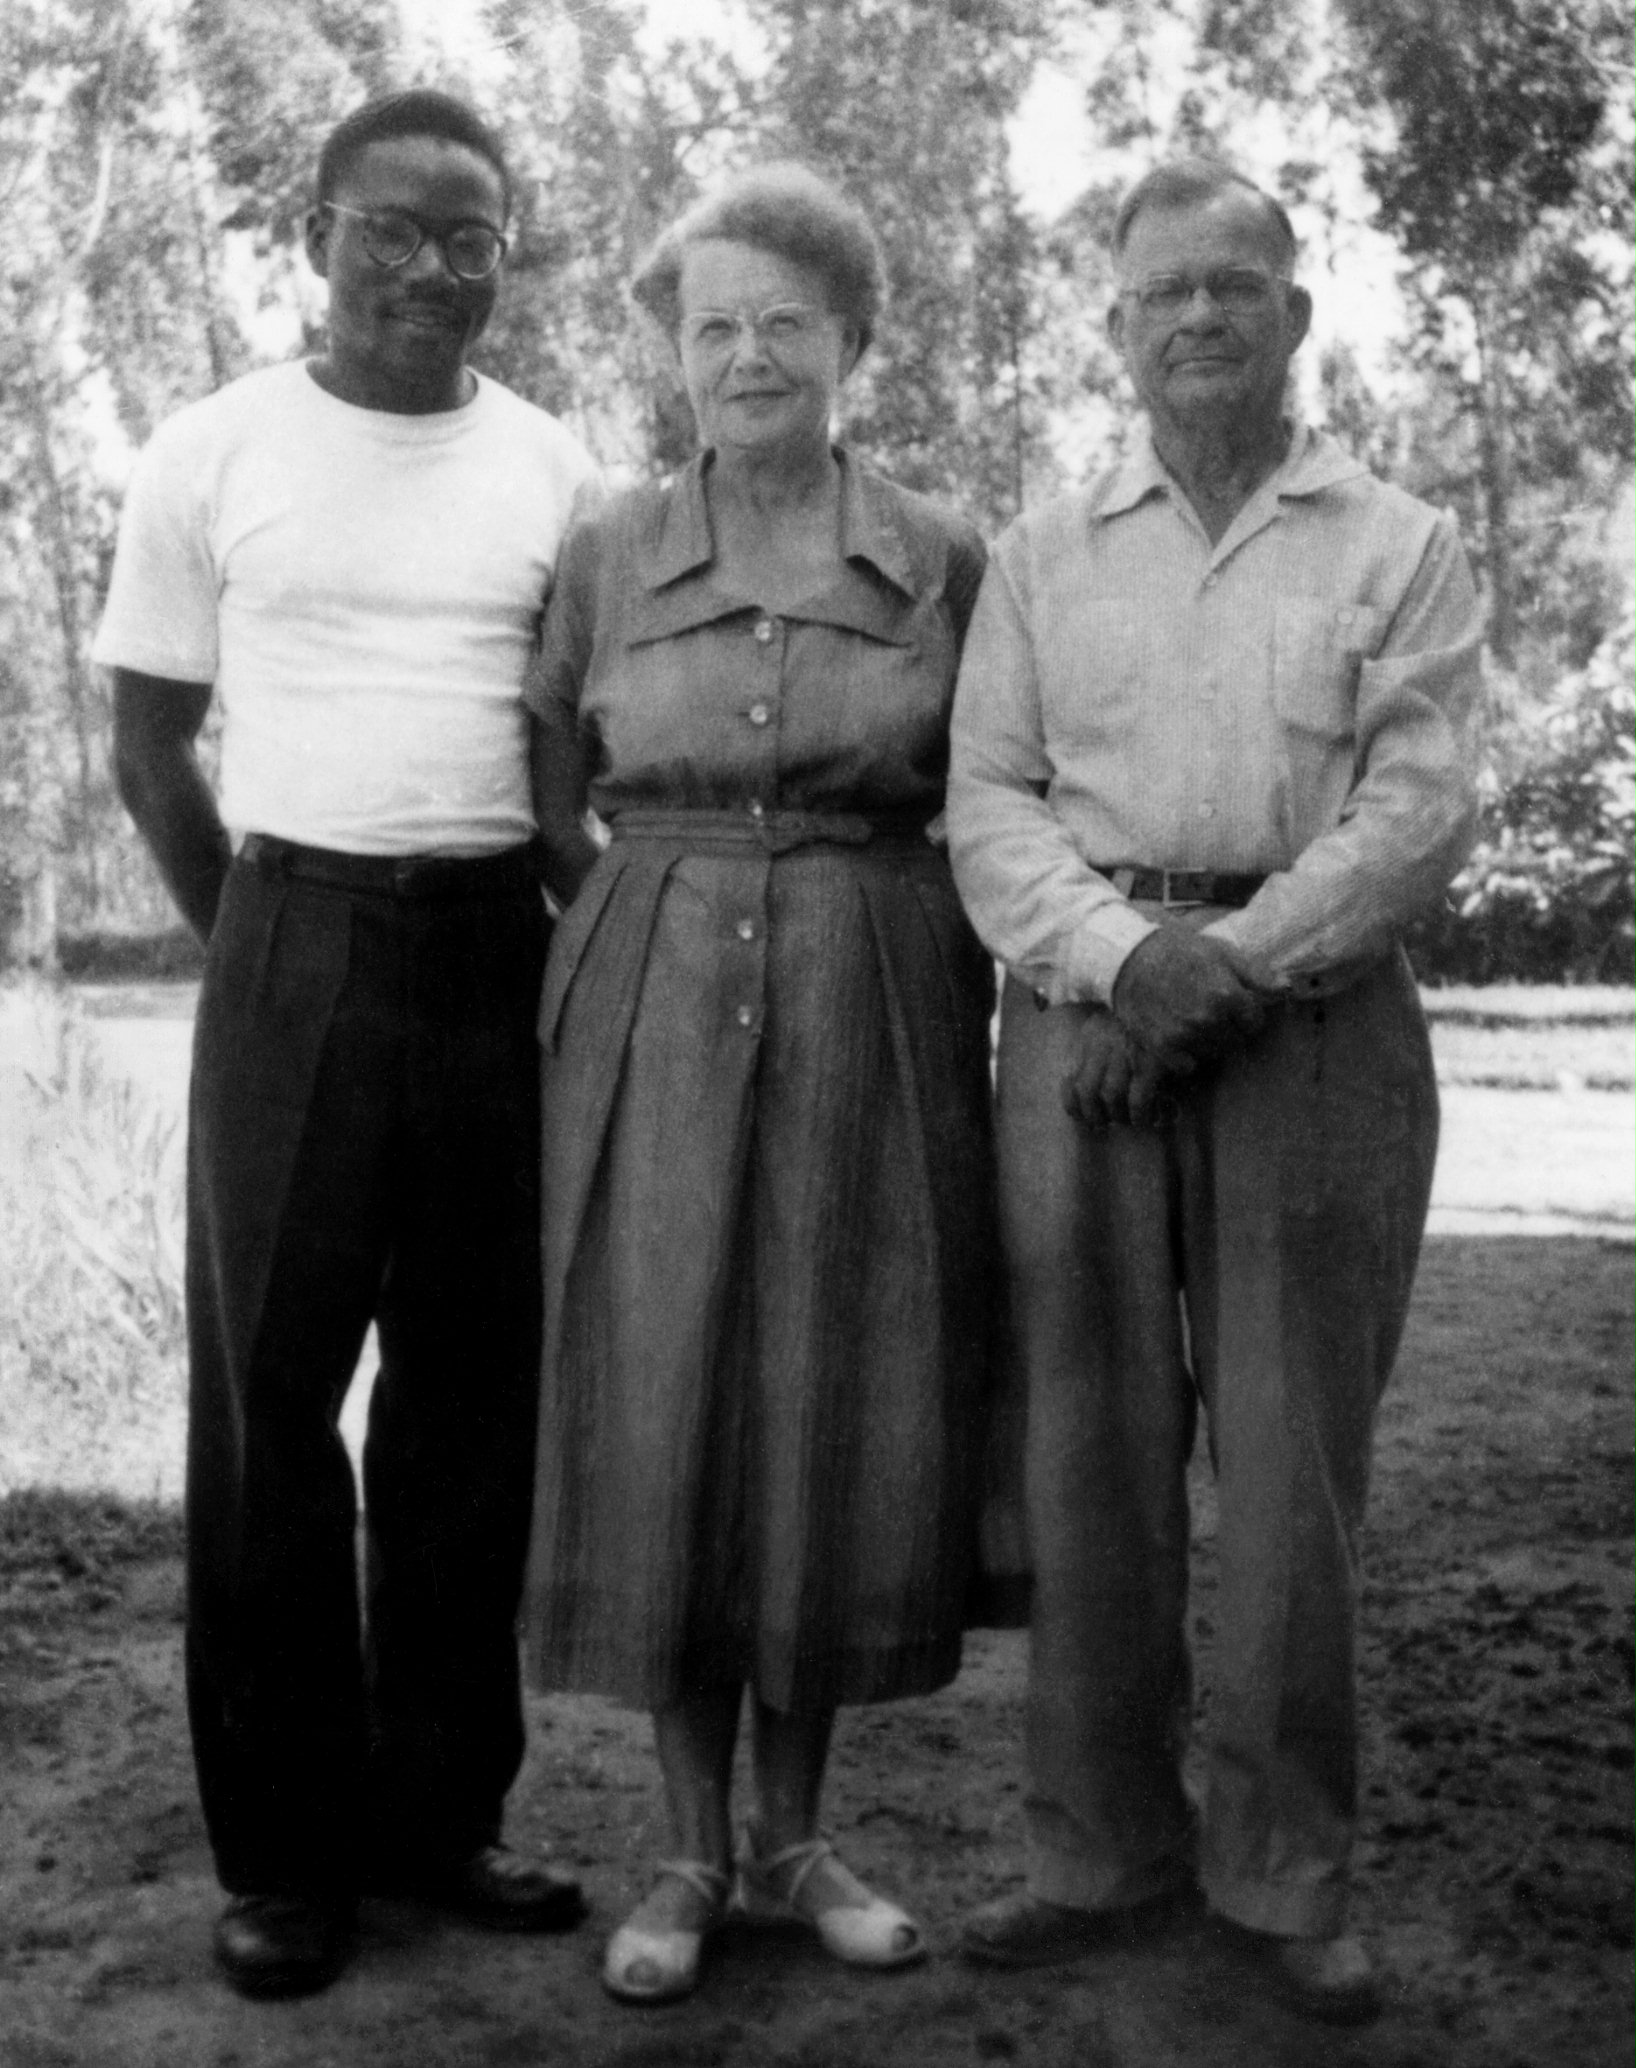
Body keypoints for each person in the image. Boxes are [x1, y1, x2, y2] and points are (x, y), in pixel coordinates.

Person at [945, 158, 1482, 2024]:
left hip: (1309, 1037)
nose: (1197, 319)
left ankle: (1283, 1878)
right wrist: (1118, 963)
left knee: (1286, 1475)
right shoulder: (1039, 551)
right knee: (1085, 1465)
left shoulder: (1397, 543)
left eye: (1232, 287)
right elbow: (991, 804)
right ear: (1115, 324)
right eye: (1161, 292)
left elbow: (1415, 814)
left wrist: (1217, 973)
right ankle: (1097, 1854)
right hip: (1085, 1039)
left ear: (1295, 313)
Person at [93, 89, 599, 1999]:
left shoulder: (557, 469)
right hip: (290, 937)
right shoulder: (215, 448)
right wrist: (260, 948)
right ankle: (287, 1854)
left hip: (497, 954)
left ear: (505, 259)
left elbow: (584, 746)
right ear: (316, 234)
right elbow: (150, 751)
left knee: (473, 1409)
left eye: (468, 237)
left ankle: (440, 1816)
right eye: (391, 228)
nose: (428, 267)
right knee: (268, 1412)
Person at [523, 163, 998, 2006]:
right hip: (644, 983)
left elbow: (998, 783)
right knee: (664, 1388)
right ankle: (682, 1848)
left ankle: (797, 1839)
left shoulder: (947, 553)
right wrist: (641, 926)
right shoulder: (605, 545)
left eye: (785, 324)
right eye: (710, 325)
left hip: (876, 990)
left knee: (830, 1390)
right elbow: (547, 770)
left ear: (856, 344)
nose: (745, 356)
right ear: (671, 352)